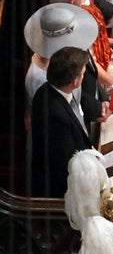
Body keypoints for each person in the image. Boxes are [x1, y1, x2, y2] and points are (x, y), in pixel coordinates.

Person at [30, 46, 95, 197]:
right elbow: (67, 164)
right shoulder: (55, 115)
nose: (84, 77)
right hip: (62, 193)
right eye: (83, 74)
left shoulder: (52, 89)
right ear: (75, 81)